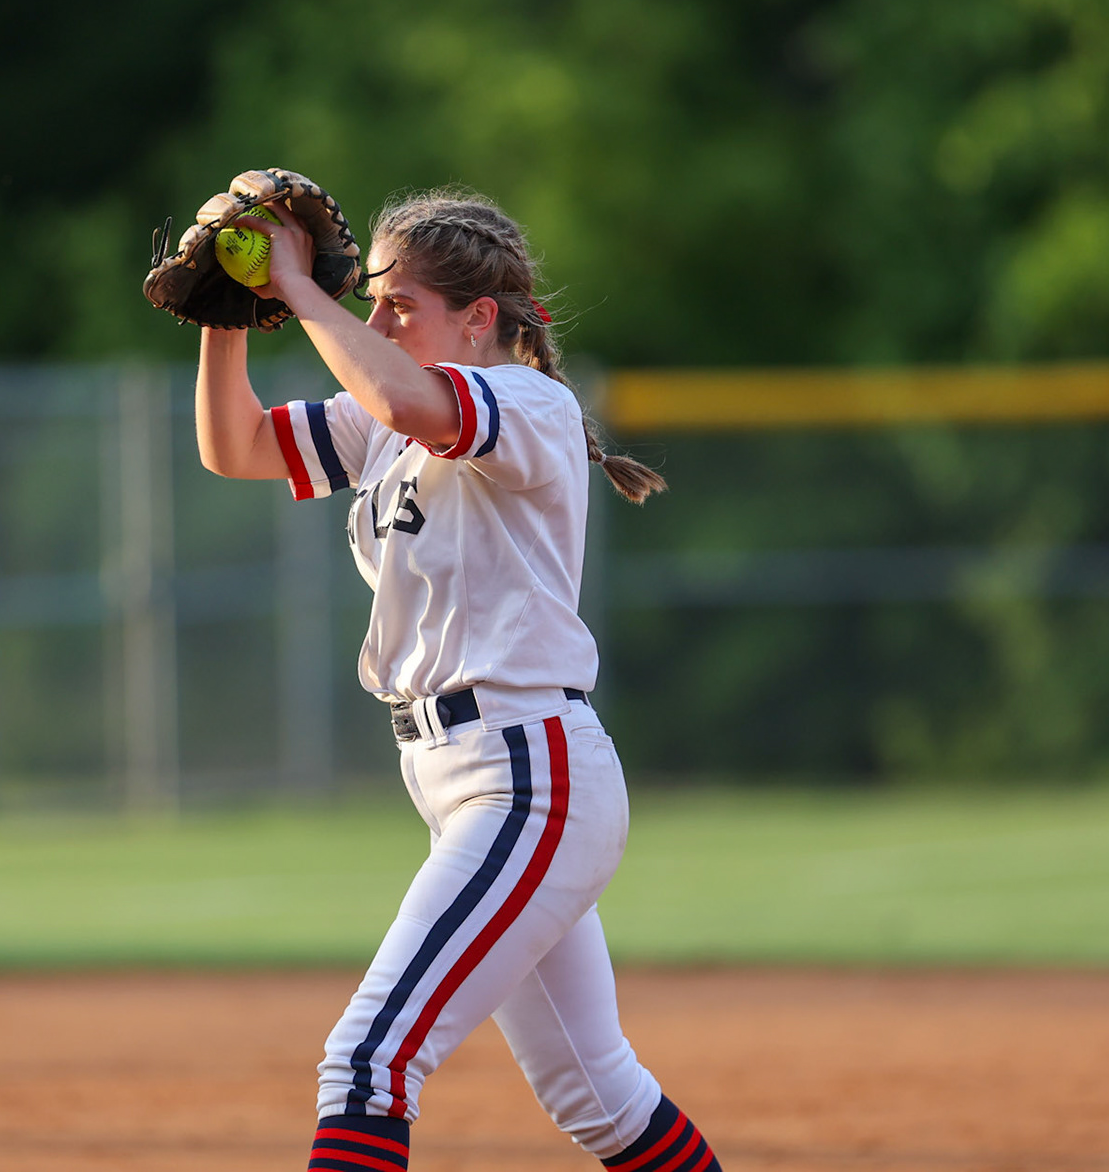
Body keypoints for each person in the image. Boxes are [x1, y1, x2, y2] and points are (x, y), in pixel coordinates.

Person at [192, 188, 722, 1172]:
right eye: (375, 303)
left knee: (369, 1060)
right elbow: (237, 445)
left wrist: (299, 286)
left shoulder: (528, 402)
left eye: (400, 304)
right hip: (468, 778)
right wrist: (227, 316)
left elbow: (405, 399)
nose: (378, 322)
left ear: (480, 317)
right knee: (596, 1093)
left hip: (530, 777)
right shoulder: (387, 426)